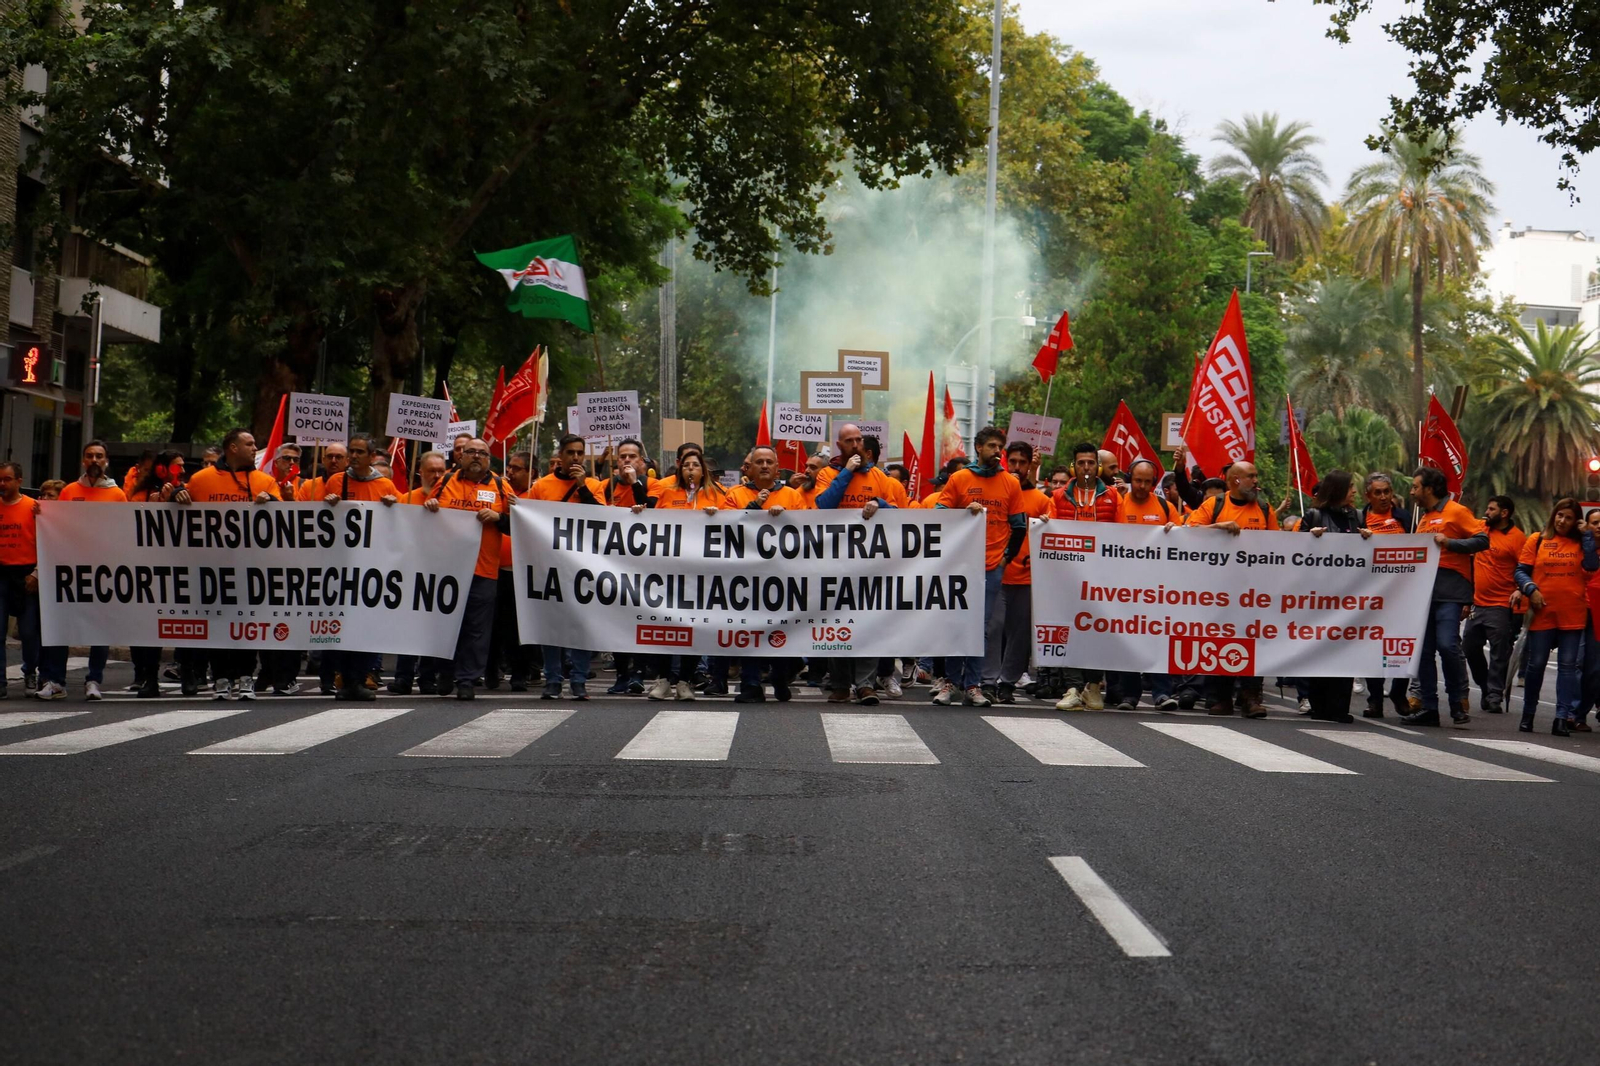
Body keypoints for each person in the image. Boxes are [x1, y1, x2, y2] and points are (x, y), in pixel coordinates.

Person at [175, 429, 281, 700]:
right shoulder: (201, 480)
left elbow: (285, 519)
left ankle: (246, 677)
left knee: (247, 623)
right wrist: (176, 494)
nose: (254, 448)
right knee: (218, 625)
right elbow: (178, 512)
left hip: (252, 568)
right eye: (250, 444)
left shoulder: (265, 481)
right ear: (232, 448)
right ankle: (221, 677)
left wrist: (271, 503)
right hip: (212, 568)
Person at [932, 426, 1024, 708]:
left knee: (980, 627)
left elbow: (1019, 527)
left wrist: (1006, 558)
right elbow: (939, 516)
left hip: (992, 566)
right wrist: (963, 512)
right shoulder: (959, 479)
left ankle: (973, 685)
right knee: (956, 623)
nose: (998, 452)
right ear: (979, 448)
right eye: (993, 446)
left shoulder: (1011, 483)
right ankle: (949, 682)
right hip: (960, 565)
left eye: (1001, 447)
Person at [812, 423, 901, 705]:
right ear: (840, 446)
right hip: (835, 562)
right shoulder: (828, 474)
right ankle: (839, 683)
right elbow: (824, 505)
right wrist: (847, 472)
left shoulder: (879, 476)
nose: (856, 444)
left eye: (859, 440)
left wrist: (880, 504)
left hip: (869, 564)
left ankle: (865, 684)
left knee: (867, 624)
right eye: (849, 440)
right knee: (836, 623)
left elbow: (899, 512)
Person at [1181, 460, 1278, 718]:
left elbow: (1280, 548)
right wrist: (1218, 527)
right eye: (1251, 476)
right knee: (1218, 641)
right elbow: (1189, 531)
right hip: (1218, 592)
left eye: (1256, 476)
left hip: (1254, 593)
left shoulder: (1266, 509)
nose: (1256, 481)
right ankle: (1220, 697)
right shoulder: (1215, 505)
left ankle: (1250, 696)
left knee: (1252, 643)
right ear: (1235, 480)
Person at [422, 438, 512, 700]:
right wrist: (430, 507)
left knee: (476, 628)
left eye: (481, 453)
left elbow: (517, 523)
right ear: (460, 456)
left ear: (489, 459)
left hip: (483, 571)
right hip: (446, 570)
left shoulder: (499, 485)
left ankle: (467, 680)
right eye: (470, 451)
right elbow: (424, 518)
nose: (475, 456)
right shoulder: (446, 481)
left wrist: (498, 518)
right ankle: (445, 673)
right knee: (446, 623)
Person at [37, 441, 126, 701]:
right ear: (83, 461)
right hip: (70, 569)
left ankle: (94, 680)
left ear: (106, 461)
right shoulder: (69, 491)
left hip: (103, 570)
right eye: (89, 456)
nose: (94, 460)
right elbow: (57, 526)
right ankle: (57, 681)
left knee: (99, 628)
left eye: (99, 456)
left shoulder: (117, 495)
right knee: (62, 625)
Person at [1404, 467, 1488, 727]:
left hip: (1450, 589)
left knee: (1447, 645)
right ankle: (1429, 707)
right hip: (1424, 591)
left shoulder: (1456, 511)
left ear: (1429, 489)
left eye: (1416, 487)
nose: (1412, 492)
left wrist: (1451, 543)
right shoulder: (1424, 518)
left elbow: (1483, 540)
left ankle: (1458, 702)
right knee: (1424, 650)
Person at [525, 434, 607, 699]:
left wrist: (582, 486)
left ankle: (579, 679)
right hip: (550, 565)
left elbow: (602, 519)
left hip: (584, 567)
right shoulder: (541, 486)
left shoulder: (594, 484)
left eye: (580, 453)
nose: (575, 457)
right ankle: (552, 679)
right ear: (559, 455)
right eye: (570, 452)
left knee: (581, 625)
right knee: (552, 626)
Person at [319, 435, 400, 701]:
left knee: (367, 627)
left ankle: (361, 678)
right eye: (350, 451)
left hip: (373, 568)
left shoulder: (385, 484)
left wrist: (393, 505)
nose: (352, 456)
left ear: (371, 455)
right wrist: (328, 503)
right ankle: (345, 681)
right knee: (344, 627)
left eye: (358, 452)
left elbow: (402, 521)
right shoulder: (336, 481)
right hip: (342, 567)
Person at [723, 445, 806, 703]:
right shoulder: (734, 495)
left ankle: (780, 676)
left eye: (769, 462)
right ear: (749, 467)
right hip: (745, 577)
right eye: (759, 462)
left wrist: (787, 519)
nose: (765, 466)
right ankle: (750, 685)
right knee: (749, 631)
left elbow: (809, 528)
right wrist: (754, 506)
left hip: (782, 577)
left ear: (777, 468)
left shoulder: (793, 496)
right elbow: (725, 526)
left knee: (780, 630)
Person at [1513, 498, 1600, 736]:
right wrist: (1531, 589)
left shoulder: (1582, 543)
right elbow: (1520, 571)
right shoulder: (1538, 539)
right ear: (1554, 515)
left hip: (1572, 613)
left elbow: (1591, 566)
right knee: (1536, 664)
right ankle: (1528, 714)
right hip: (1542, 613)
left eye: (1569, 518)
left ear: (1575, 522)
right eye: (1560, 515)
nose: (1563, 521)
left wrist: (1587, 537)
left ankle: (1561, 718)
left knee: (1568, 668)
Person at [1294, 471, 1375, 722]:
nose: (1354, 491)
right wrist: (1310, 539)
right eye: (1350, 486)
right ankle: (1318, 704)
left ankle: (1340, 707)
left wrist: (1369, 538)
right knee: (1320, 649)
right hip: (1320, 597)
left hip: (1349, 596)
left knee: (1344, 650)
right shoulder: (1314, 516)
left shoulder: (1358, 516)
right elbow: (1292, 552)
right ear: (1338, 489)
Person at [1108, 458, 1180, 710]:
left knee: (1159, 640)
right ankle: (1130, 695)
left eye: (1147, 482)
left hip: (1157, 590)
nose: (1141, 486)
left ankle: (1162, 693)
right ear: (1130, 478)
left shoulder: (1165, 506)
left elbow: (1184, 542)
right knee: (1129, 641)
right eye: (1137, 480)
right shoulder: (1118, 503)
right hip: (1123, 587)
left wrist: (1175, 530)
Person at [1052, 441, 1119, 711]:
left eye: (1091, 463)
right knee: (1069, 630)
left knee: (1096, 631)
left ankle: (1093, 687)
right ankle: (1071, 688)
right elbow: (1049, 525)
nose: (1086, 467)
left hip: (1101, 577)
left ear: (1098, 466)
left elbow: (1124, 535)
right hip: (1068, 576)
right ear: (1073, 466)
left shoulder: (1113, 497)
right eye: (1081, 463)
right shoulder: (1058, 497)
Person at [985, 439, 1052, 705]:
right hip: (997, 573)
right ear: (1004, 460)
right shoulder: (996, 491)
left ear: (1028, 466)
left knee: (1019, 634)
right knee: (994, 627)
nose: (1016, 466)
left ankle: (1008, 683)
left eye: (1022, 462)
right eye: (1012, 461)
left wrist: (1048, 523)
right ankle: (988, 681)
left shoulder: (1041, 500)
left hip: (1026, 578)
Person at [389, 450, 454, 696]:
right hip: (409, 572)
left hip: (440, 573)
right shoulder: (407, 499)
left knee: (431, 628)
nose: (437, 476)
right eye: (431, 471)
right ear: (420, 473)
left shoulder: (451, 498)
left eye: (441, 471)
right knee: (408, 627)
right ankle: (403, 678)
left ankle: (427, 678)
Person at [126, 450, 186, 698]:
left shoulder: (185, 489)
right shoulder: (138, 493)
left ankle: (188, 672)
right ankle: (144, 675)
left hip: (178, 566)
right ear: (162, 469)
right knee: (144, 625)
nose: (182, 470)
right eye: (177, 466)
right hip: (146, 568)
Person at [1462, 496, 1526, 716]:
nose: (1486, 512)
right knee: (1469, 646)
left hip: (1501, 604)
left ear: (1504, 513)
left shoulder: (1517, 538)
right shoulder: (1481, 529)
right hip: (1477, 603)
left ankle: (1495, 696)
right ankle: (1486, 686)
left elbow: (1525, 568)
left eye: (1491, 509)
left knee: (1500, 653)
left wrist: (1520, 590)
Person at [1357, 473, 1414, 716]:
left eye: (1387, 492)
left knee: (1404, 646)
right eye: (1377, 492)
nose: (1383, 497)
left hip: (1403, 595)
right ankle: (1375, 700)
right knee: (1372, 647)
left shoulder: (1406, 519)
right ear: (1367, 495)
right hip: (1371, 595)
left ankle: (1400, 693)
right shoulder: (1359, 518)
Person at [487, 450, 535, 692]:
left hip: (522, 571)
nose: (510, 472)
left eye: (517, 468)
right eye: (509, 467)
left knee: (518, 627)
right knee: (493, 625)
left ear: (531, 473)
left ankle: (520, 673)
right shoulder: (500, 490)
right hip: (494, 568)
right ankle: (491, 672)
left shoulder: (536, 496)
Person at [0, 462, 41, 701]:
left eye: (7, 479)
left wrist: (35, 573)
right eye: (0, 480)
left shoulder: (32, 508)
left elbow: (43, 543)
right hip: (1, 574)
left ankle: (30, 672)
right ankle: (1, 681)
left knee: (28, 630)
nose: (3, 484)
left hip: (25, 574)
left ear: (19, 480)